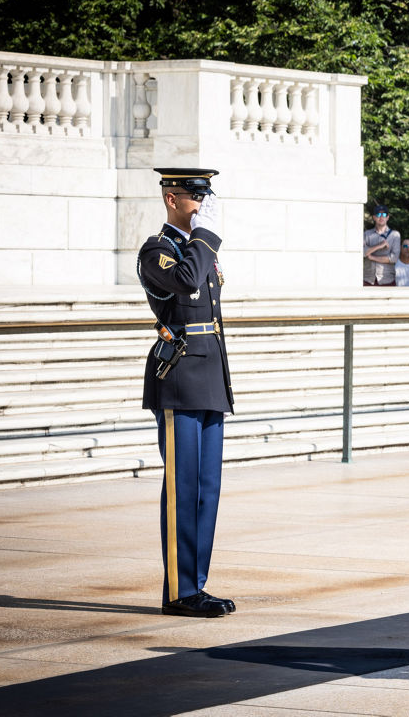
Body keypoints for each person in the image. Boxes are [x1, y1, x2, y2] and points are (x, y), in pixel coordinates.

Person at [137, 168, 235, 618]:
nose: (203, 207)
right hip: (178, 379)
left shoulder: (199, 245)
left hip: (209, 377)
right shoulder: (158, 250)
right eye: (197, 199)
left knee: (206, 489)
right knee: (182, 488)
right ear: (172, 199)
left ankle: (196, 585)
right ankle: (178, 591)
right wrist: (207, 233)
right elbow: (189, 280)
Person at [363, 204, 399, 286]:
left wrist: (372, 257)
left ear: (388, 217)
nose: (381, 217)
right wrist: (379, 246)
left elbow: (394, 258)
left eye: (384, 214)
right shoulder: (366, 234)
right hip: (368, 279)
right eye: (378, 214)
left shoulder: (395, 235)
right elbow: (362, 253)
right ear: (374, 217)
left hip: (387, 279)